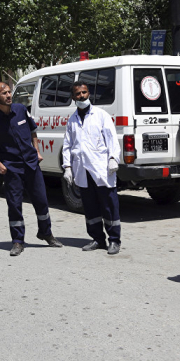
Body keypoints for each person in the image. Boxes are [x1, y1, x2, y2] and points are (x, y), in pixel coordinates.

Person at [0, 82, 62, 256]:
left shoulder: (20, 110)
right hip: (12, 168)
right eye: (4, 93)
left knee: (41, 201)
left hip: (31, 164)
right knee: (15, 205)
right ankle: (18, 241)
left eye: (10, 92)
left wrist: (37, 151)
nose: (9, 95)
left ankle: (46, 233)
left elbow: (33, 131)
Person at [62, 81, 122, 255]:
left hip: (102, 169)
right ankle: (97, 238)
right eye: (78, 94)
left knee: (109, 205)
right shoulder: (72, 120)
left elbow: (112, 140)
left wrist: (113, 158)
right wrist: (67, 167)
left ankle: (114, 240)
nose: (82, 96)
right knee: (90, 207)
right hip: (82, 170)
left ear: (89, 94)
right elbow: (67, 145)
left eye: (84, 92)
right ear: (73, 97)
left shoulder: (101, 115)